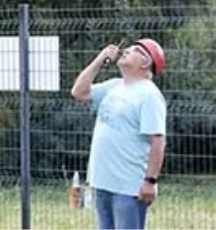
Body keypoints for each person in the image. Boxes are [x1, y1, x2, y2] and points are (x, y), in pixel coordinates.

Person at [71, 38, 167, 230]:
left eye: (134, 50)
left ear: (146, 62)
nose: (126, 50)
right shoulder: (114, 86)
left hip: (128, 187)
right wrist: (100, 59)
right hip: (103, 181)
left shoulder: (149, 95)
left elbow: (158, 141)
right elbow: (78, 92)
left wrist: (150, 181)